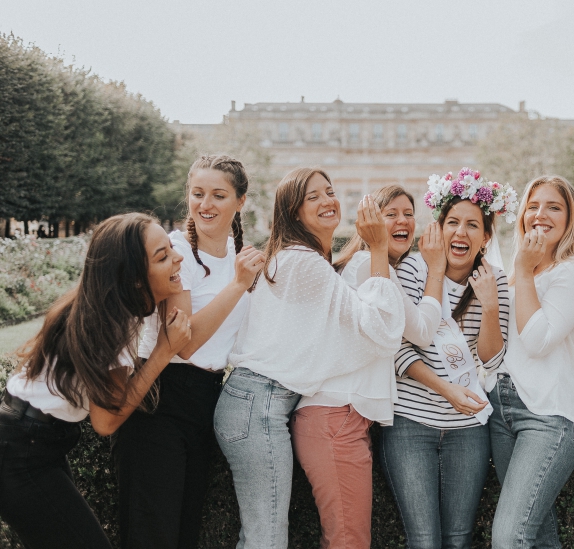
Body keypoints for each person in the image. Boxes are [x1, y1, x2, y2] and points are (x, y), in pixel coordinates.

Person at [214, 167, 405, 549]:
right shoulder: (304, 263)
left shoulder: (300, 260)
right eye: (312, 197)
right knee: (265, 540)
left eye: (329, 191)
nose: (327, 201)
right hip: (258, 405)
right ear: (292, 212)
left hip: (259, 403)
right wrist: (379, 249)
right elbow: (381, 329)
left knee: (263, 538)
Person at [0, 213, 191, 549]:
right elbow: (105, 421)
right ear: (133, 279)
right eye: (162, 256)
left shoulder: (101, 304)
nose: (178, 257)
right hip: (22, 450)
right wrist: (164, 350)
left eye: (171, 247)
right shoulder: (112, 327)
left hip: (25, 438)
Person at [112, 156, 265, 549]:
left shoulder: (241, 254)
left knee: (184, 533)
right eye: (197, 194)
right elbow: (185, 340)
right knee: (152, 531)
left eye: (218, 195)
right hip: (160, 396)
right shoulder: (176, 252)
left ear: (240, 201)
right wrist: (238, 285)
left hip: (207, 399)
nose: (205, 205)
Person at [291, 184, 445, 549]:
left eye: (409, 213)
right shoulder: (366, 267)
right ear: (370, 222)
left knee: (346, 537)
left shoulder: (368, 266)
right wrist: (436, 270)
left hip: (340, 417)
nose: (403, 220)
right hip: (336, 418)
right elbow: (421, 331)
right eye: (390, 213)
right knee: (349, 540)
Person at [380, 168, 513, 549]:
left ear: (487, 236)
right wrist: (444, 389)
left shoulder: (495, 280)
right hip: (411, 424)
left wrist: (489, 306)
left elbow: (491, 359)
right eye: (452, 222)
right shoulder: (411, 270)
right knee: (423, 540)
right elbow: (397, 348)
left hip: (468, 428)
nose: (461, 232)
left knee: (458, 538)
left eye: (473, 225)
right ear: (439, 227)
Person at [487, 175, 574, 548]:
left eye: (554, 207)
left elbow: (537, 342)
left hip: (549, 418)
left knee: (509, 538)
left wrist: (522, 270)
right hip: (503, 411)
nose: (540, 214)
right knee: (537, 535)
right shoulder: (520, 272)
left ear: (570, 219)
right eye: (533, 206)